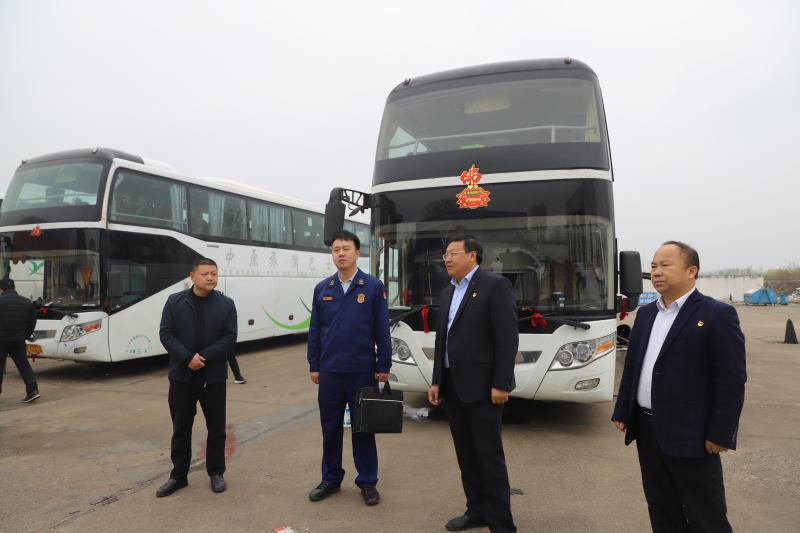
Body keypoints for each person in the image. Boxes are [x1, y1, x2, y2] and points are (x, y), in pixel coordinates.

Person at [612, 241, 746, 532]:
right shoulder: (646, 314)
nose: (656, 272)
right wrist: (623, 410)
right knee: (661, 508)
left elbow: (731, 380)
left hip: (693, 434)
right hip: (648, 430)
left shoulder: (716, 315)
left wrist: (720, 433)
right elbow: (633, 366)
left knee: (705, 515)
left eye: (665, 265)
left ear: (691, 271)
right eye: (653, 267)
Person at [428, 235, 518, 533]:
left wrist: (501, 383)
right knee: (466, 455)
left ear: (473, 255)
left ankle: (501, 523)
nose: (447, 258)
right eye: (445, 254)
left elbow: (507, 338)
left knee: (488, 456)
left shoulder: (494, 286)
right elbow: (442, 339)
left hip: (484, 388)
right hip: (453, 386)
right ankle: (476, 510)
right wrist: (437, 380)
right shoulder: (447, 292)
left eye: (453, 253)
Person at [307, 230, 391, 506]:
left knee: (363, 429)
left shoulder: (372, 286)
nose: (340, 254)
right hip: (330, 372)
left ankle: (367, 482)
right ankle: (330, 479)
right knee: (330, 428)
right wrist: (314, 364)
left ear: (357, 252)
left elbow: (382, 329)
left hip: (362, 371)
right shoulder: (323, 289)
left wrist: (384, 364)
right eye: (336, 249)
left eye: (346, 248)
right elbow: (315, 331)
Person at [156, 258, 237, 497]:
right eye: (205, 274)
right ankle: (178, 476)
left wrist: (204, 357)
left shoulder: (226, 304)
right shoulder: (175, 302)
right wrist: (187, 358)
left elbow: (229, 337)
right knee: (181, 428)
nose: (210, 277)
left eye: (214, 273)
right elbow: (166, 333)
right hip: (182, 377)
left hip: (213, 377)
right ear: (192, 276)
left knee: (216, 428)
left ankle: (216, 472)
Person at [0, 278, 40, 403]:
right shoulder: (27, 302)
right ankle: (32, 391)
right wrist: (25, 335)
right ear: (14, 287)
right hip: (18, 340)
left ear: (1, 289)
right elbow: (32, 322)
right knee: (24, 365)